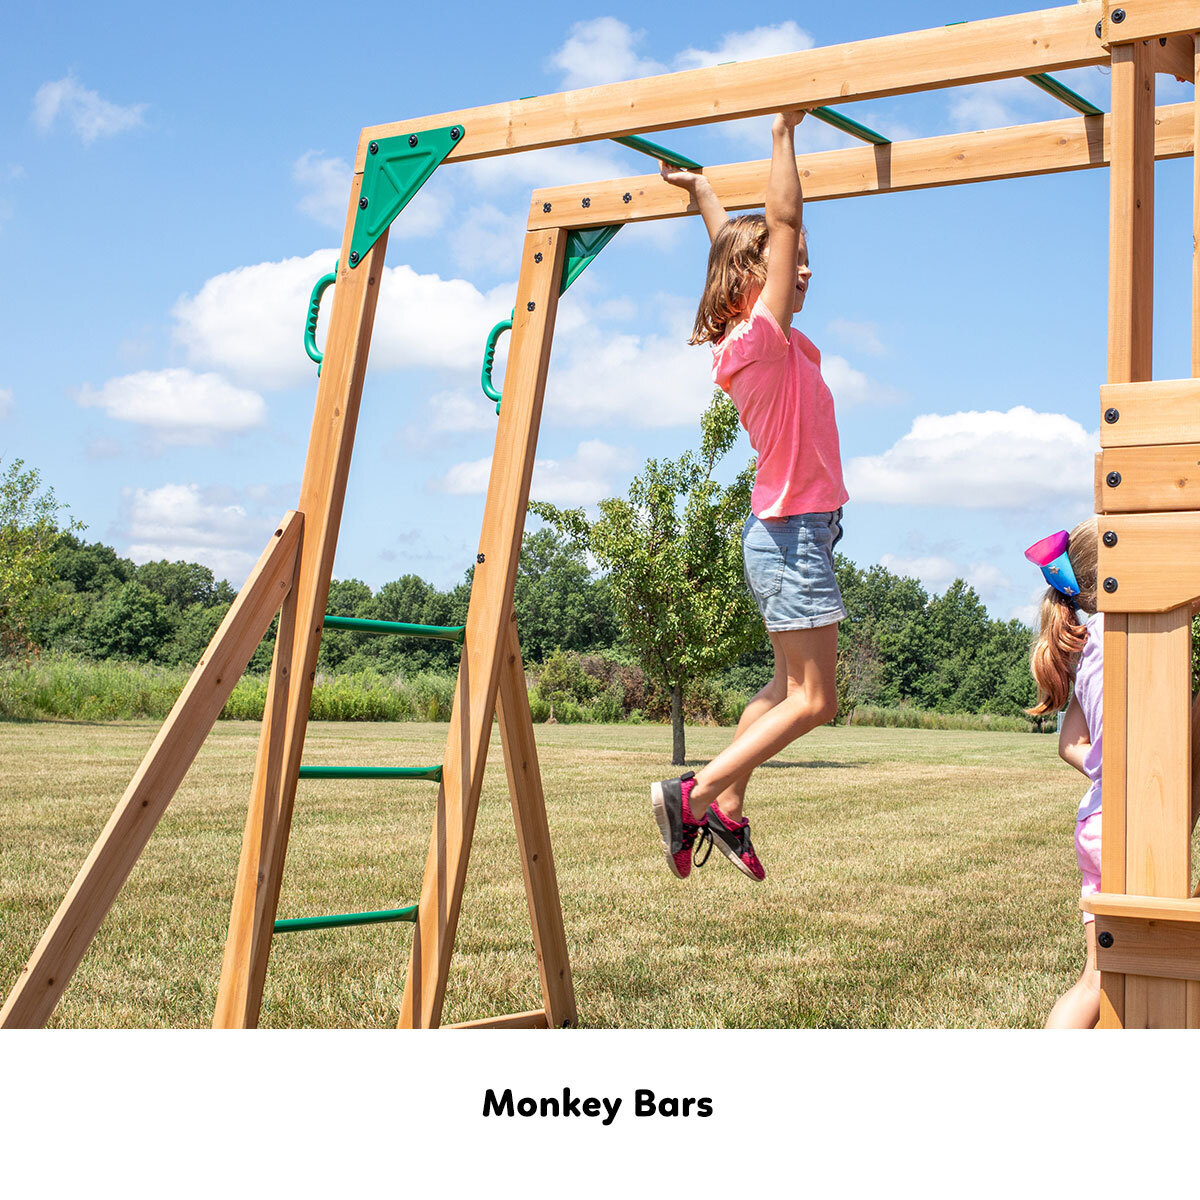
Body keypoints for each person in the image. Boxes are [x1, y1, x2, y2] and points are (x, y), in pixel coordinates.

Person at [651, 110, 848, 883]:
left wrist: (703, 192)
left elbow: (741, 244)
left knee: (783, 689)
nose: (804, 270)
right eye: (792, 262)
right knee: (816, 701)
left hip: (796, 530)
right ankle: (693, 793)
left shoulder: (766, 338)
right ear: (748, 285)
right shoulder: (761, 339)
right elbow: (781, 221)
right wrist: (782, 133)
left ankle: (727, 808)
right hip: (790, 532)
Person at [1024, 521, 1103, 1028]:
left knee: (1097, 977)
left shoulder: (1090, 645)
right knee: (1111, 978)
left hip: (1096, 821)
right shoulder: (1124, 639)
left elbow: (1068, 743)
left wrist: (1106, 770)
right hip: (1121, 826)